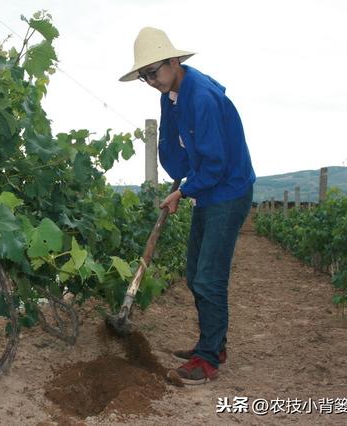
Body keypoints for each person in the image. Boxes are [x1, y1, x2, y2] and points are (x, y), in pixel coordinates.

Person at [119, 27, 256, 385]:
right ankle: (212, 344)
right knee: (195, 273)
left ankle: (208, 360)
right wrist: (180, 177)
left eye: (154, 72)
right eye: (144, 75)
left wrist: (183, 191)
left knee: (209, 278)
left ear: (175, 61)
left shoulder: (203, 99)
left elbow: (215, 163)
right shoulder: (172, 95)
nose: (150, 80)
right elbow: (176, 153)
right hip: (207, 191)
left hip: (227, 191)